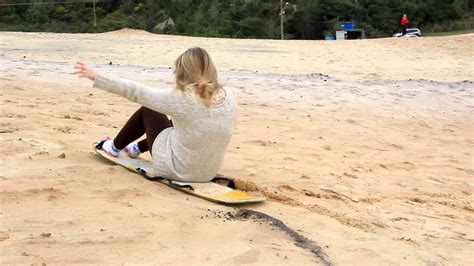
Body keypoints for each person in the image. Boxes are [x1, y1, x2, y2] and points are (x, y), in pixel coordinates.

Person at [74, 47, 237, 182]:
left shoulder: (183, 98)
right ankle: (136, 148)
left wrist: (95, 76)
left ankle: (114, 146)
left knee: (149, 108)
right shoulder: (229, 95)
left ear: (183, 72)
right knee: (183, 122)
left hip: (177, 170)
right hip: (207, 173)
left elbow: (136, 92)